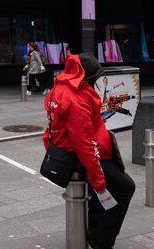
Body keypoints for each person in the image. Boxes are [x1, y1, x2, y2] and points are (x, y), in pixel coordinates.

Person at [43, 53, 135, 248]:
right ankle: (101, 240)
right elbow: (83, 144)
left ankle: (94, 230)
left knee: (102, 193)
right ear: (88, 78)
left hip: (76, 153)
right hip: (83, 157)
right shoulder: (77, 98)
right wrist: (98, 181)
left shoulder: (60, 87)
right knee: (126, 187)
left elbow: (52, 128)